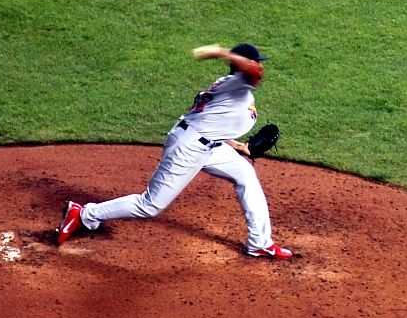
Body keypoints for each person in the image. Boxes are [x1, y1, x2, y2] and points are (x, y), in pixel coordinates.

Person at [56, 43, 293, 259]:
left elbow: (210, 122)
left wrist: (239, 146)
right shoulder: (238, 82)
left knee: (246, 176)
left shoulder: (232, 86)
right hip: (188, 148)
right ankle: (85, 214)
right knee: (150, 205)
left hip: (210, 145)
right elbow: (252, 72)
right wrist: (221, 53)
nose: (260, 66)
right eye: (256, 61)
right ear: (242, 64)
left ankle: (259, 243)